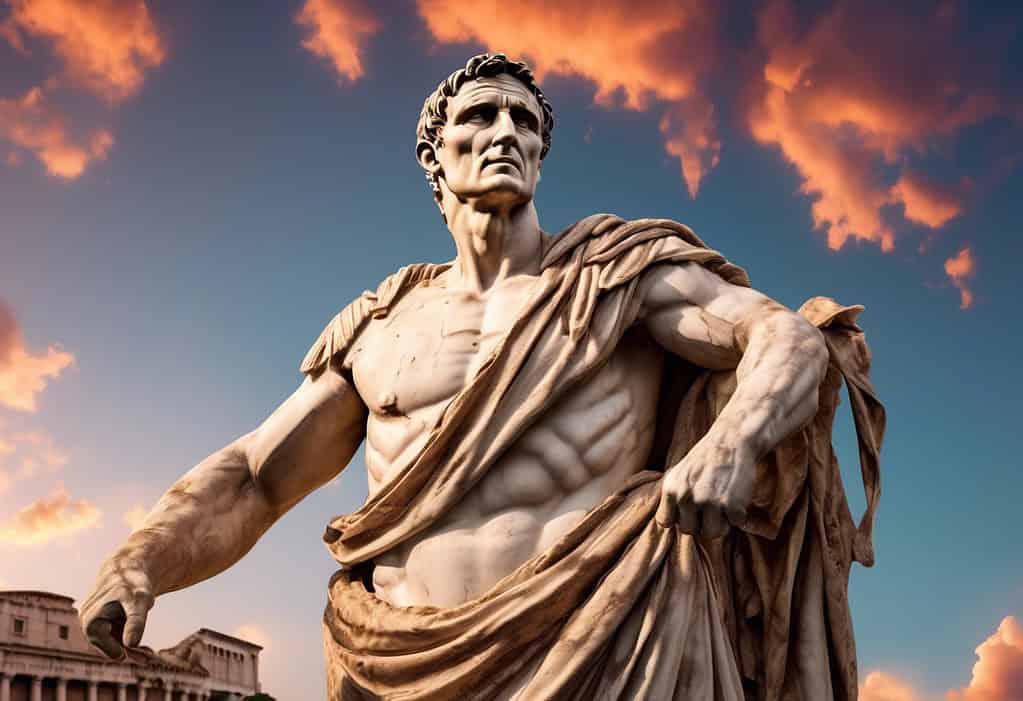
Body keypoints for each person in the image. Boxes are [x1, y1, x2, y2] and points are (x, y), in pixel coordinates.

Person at [81, 53, 884, 700]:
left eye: (524, 121)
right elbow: (257, 477)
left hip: (614, 638)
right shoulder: (380, 324)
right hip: (399, 658)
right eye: (480, 115)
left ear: (541, 152)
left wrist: (732, 443)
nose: (505, 131)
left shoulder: (615, 279)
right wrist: (139, 561)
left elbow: (782, 334)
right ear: (435, 155)